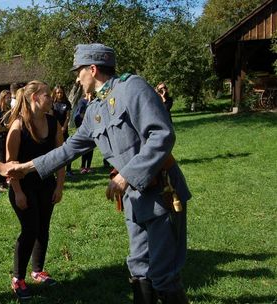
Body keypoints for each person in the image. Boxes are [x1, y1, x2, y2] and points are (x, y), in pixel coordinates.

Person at [10, 43, 191, 304]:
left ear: (92, 69)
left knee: (163, 276)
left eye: (79, 71)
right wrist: (26, 167)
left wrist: (125, 176)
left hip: (161, 192)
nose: (76, 77)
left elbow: (162, 135)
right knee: (139, 269)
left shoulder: (133, 88)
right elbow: (68, 150)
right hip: (135, 199)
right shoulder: (95, 109)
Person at [6, 80, 65, 300]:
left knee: (43, 228)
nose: (51, 98)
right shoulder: (18, 126)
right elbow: (10, 164)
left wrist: (59, 186)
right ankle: (17, 278)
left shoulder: (53, 123)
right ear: (34, 98)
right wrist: (18, 192)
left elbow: (62, 157)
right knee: (30, 229)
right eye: (47, 95)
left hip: (46, 185)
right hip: (23, 187)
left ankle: (37, 271)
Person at [51, 85, 73, 177]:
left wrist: (64, 127)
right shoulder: (52, 104)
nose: (59, 94)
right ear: (55, 93)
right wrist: (58, 128)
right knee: (55, 151)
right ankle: (56, 170)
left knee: (67, 150)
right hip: (55, 130)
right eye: (57, 92)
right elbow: (52, 116)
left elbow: (68, 117)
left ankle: (68, 170)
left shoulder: (67, 103)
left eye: (61, 92)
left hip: (64, 130)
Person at [73, 92, 93, 174]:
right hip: (84, 126)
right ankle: (82, 167)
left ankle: (88, 167)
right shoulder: (81, 101)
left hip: (92, 126)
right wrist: (88, 100)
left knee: (91, 147)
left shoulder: (93, 100)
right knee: (85, 148)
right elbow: (81, 114)